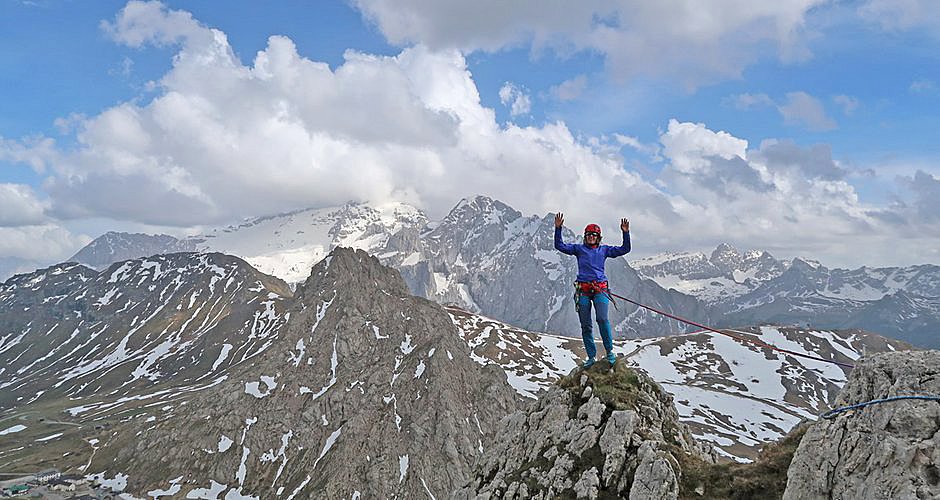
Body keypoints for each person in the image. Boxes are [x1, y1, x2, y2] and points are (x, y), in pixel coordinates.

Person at [554, 213, 631, 369]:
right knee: (586, 325)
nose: (591, 237)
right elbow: (559, 246)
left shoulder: (604, 250)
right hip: (583, 289)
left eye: (594, 235)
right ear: (585, 236)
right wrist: (558, 228)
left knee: (602, 319)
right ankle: (591, 357)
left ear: (598, 237)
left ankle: (609, 353)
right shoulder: (578, 249)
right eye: (589, 234)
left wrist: (625, 232)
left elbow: (625, 249)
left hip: (600, 289)